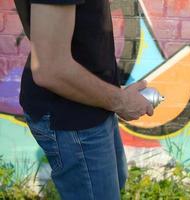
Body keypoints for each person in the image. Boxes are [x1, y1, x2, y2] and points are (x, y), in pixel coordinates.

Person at [14, 0, 154, 199]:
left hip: (91, 104)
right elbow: (51, 70)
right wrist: (122, 101)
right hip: (71, 118)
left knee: (115, 183)